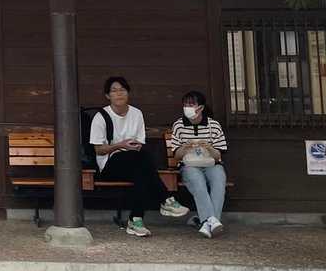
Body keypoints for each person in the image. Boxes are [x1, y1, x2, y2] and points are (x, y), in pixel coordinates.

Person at [88, 76, 189, 237]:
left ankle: (136, 219)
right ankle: (165, 199)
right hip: (109, 165)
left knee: (141, 172)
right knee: (142, 162)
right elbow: (99, 150)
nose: (119, 93)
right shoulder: (101, 117)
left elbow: (140, 143)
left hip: (135, 161)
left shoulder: (136, 114)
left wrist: (133, 147)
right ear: (108, 96)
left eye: (122, 90)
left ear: (128, 93)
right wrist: (120, 145)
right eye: (114, 91)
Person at [171, 90, 228, 238]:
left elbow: (218, 156)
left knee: (219, 181)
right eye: (185, 104)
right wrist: (185, 147)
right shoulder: (179, 125)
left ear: (201, 107)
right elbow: (176, 156)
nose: (187, 108)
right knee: (198, 183)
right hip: (189, 165)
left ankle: (205, 222)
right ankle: (212, 221)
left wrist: (209, 148)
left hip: (212, 164)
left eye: (191, 104)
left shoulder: (213, 125)